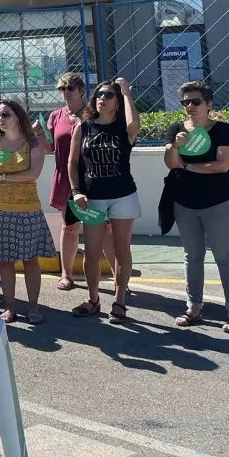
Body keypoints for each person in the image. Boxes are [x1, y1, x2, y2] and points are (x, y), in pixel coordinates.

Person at [163, 80, 229, 332]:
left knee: (224, 256)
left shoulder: (222, 129)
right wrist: (176, 146)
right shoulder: (176, 129)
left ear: (208, 104)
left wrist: (187, 166)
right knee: (192, 257)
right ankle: (193, 308)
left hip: (219, 202)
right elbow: (170, 163)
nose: (190, 106)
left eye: (195, 101)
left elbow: (222, 165)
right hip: (184, 203)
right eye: (185, 102)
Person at [69, 77, 140, 322]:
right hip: (93, 197)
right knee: (91, 253)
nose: (102, 98)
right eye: (99, 94)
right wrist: (76, 191)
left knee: (121, 250)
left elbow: (134, 124)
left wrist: (126, 93)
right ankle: (93, 299)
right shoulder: (84, 127)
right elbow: (72, 162)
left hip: (123, 195)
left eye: (109, 95)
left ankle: (119, 302)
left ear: (117, 102)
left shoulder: (124, 129)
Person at [0, 99, 55, 324]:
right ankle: (10, 307)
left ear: (18, 116)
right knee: (4, 261)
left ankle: (33, 307)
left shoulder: (33, 143)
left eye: (6, 114)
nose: (0, 119)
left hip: (27, 209)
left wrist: (3, 177)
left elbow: (33, 174)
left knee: (30, 260)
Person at [46, 73, 114, 291]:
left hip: (94, 176)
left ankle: (118, 277)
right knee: (70, 227)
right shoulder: (55, 116)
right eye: (62, 89)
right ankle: (66, 275)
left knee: (104, 227)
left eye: (70, 88)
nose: (65, 92)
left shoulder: (93, 113)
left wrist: (81, 124)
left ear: (81, 90)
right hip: (66, 178)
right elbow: (50, 147)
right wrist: (39, 136)